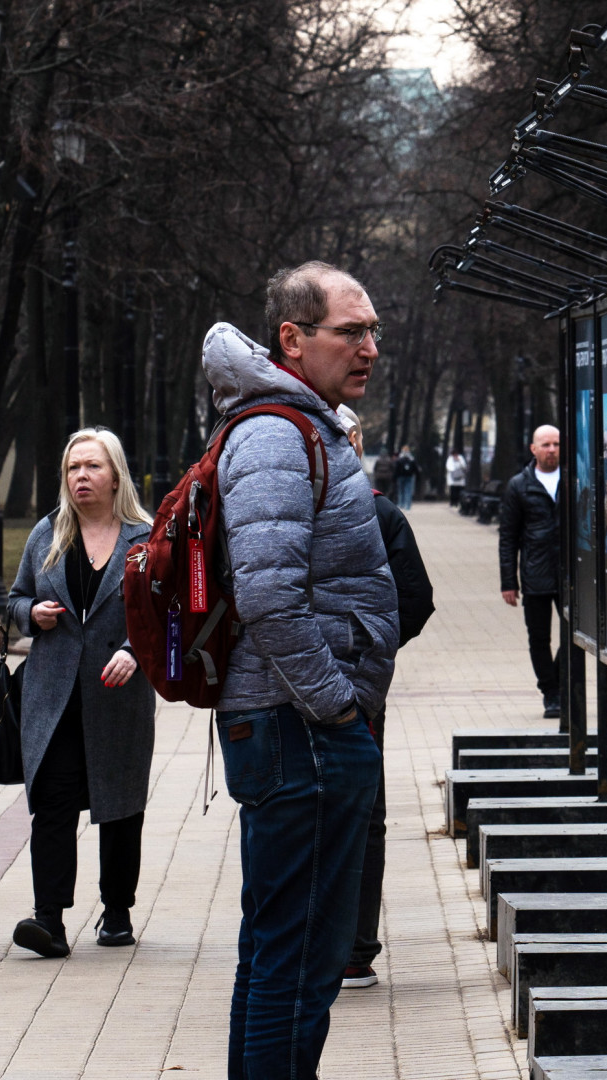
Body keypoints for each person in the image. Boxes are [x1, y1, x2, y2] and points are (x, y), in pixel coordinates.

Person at [204, 260, 399, 1080]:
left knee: (281, 954)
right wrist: (338, 709)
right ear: (293, 338)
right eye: (351, 332)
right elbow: (270, 597)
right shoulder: (277, 434)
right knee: (296, 964)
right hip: (302, 732)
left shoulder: (297, 426)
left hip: (296, 729)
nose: (369, 348)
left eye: (373, 331)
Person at [6, 428, 155, 958]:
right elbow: (16, 599)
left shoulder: (146, 537)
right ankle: (49, 920)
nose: (81, 477)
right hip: (53, 693)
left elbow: (170, 610)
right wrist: (32, 614)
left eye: (92, 467)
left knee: (119, 804)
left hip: (117, 693)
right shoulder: (47, 535)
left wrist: (137, 651)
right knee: (52, 802)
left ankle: (117, 912)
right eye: (73, 469)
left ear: (115, 475)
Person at [337, 405, 435, 990]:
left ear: (355, 442)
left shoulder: (381, 514)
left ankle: (353, 947)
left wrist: (370, 649)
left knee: (360, 816)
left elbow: (415, 598)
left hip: (356, 695)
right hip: (299, 692)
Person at [499, 424, 563, 719]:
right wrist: (508, 582)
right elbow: (508, 536)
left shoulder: (575, 478)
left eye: (556, 444)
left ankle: (559, 683)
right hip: (536, 574)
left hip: (570, 575)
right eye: (546, 444)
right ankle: (550, 693)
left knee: (575, 636)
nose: (552, 449)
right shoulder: (519, 485)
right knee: (539, 638)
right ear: (534, 449)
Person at [393, 444, 417, 509]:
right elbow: (415, 468)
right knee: (408, 491)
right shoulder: (411, 458)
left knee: (401, 491)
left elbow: (396, 468)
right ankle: (408, 506)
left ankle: (401, 504)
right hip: (409, 476)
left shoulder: (400, 458)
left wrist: (394, 477)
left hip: (400, 476)